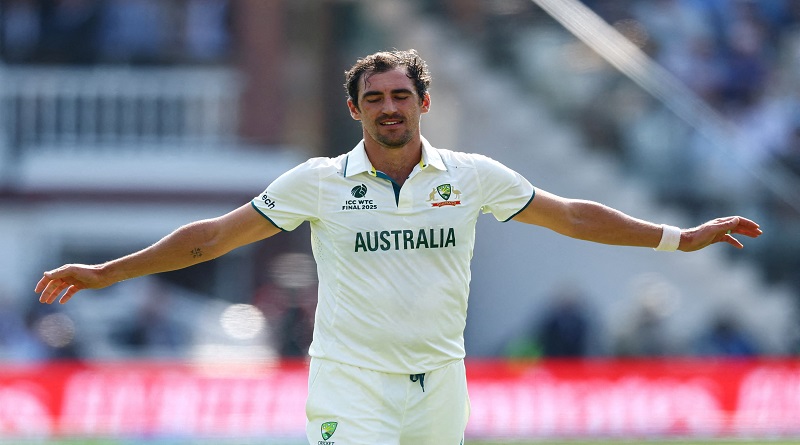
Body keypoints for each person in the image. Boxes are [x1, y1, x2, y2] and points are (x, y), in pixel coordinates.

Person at [35, 49, 762, 444]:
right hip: (350, 383)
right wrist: (108, 271)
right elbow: (213, 239)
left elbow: (570, 215)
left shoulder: (471, 176)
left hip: (440, 382)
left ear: (424, 103)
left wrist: (678, 238)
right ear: (354, 109)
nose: (389, 107)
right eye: (375, 98)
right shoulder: (319, 182)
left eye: (401, 96)